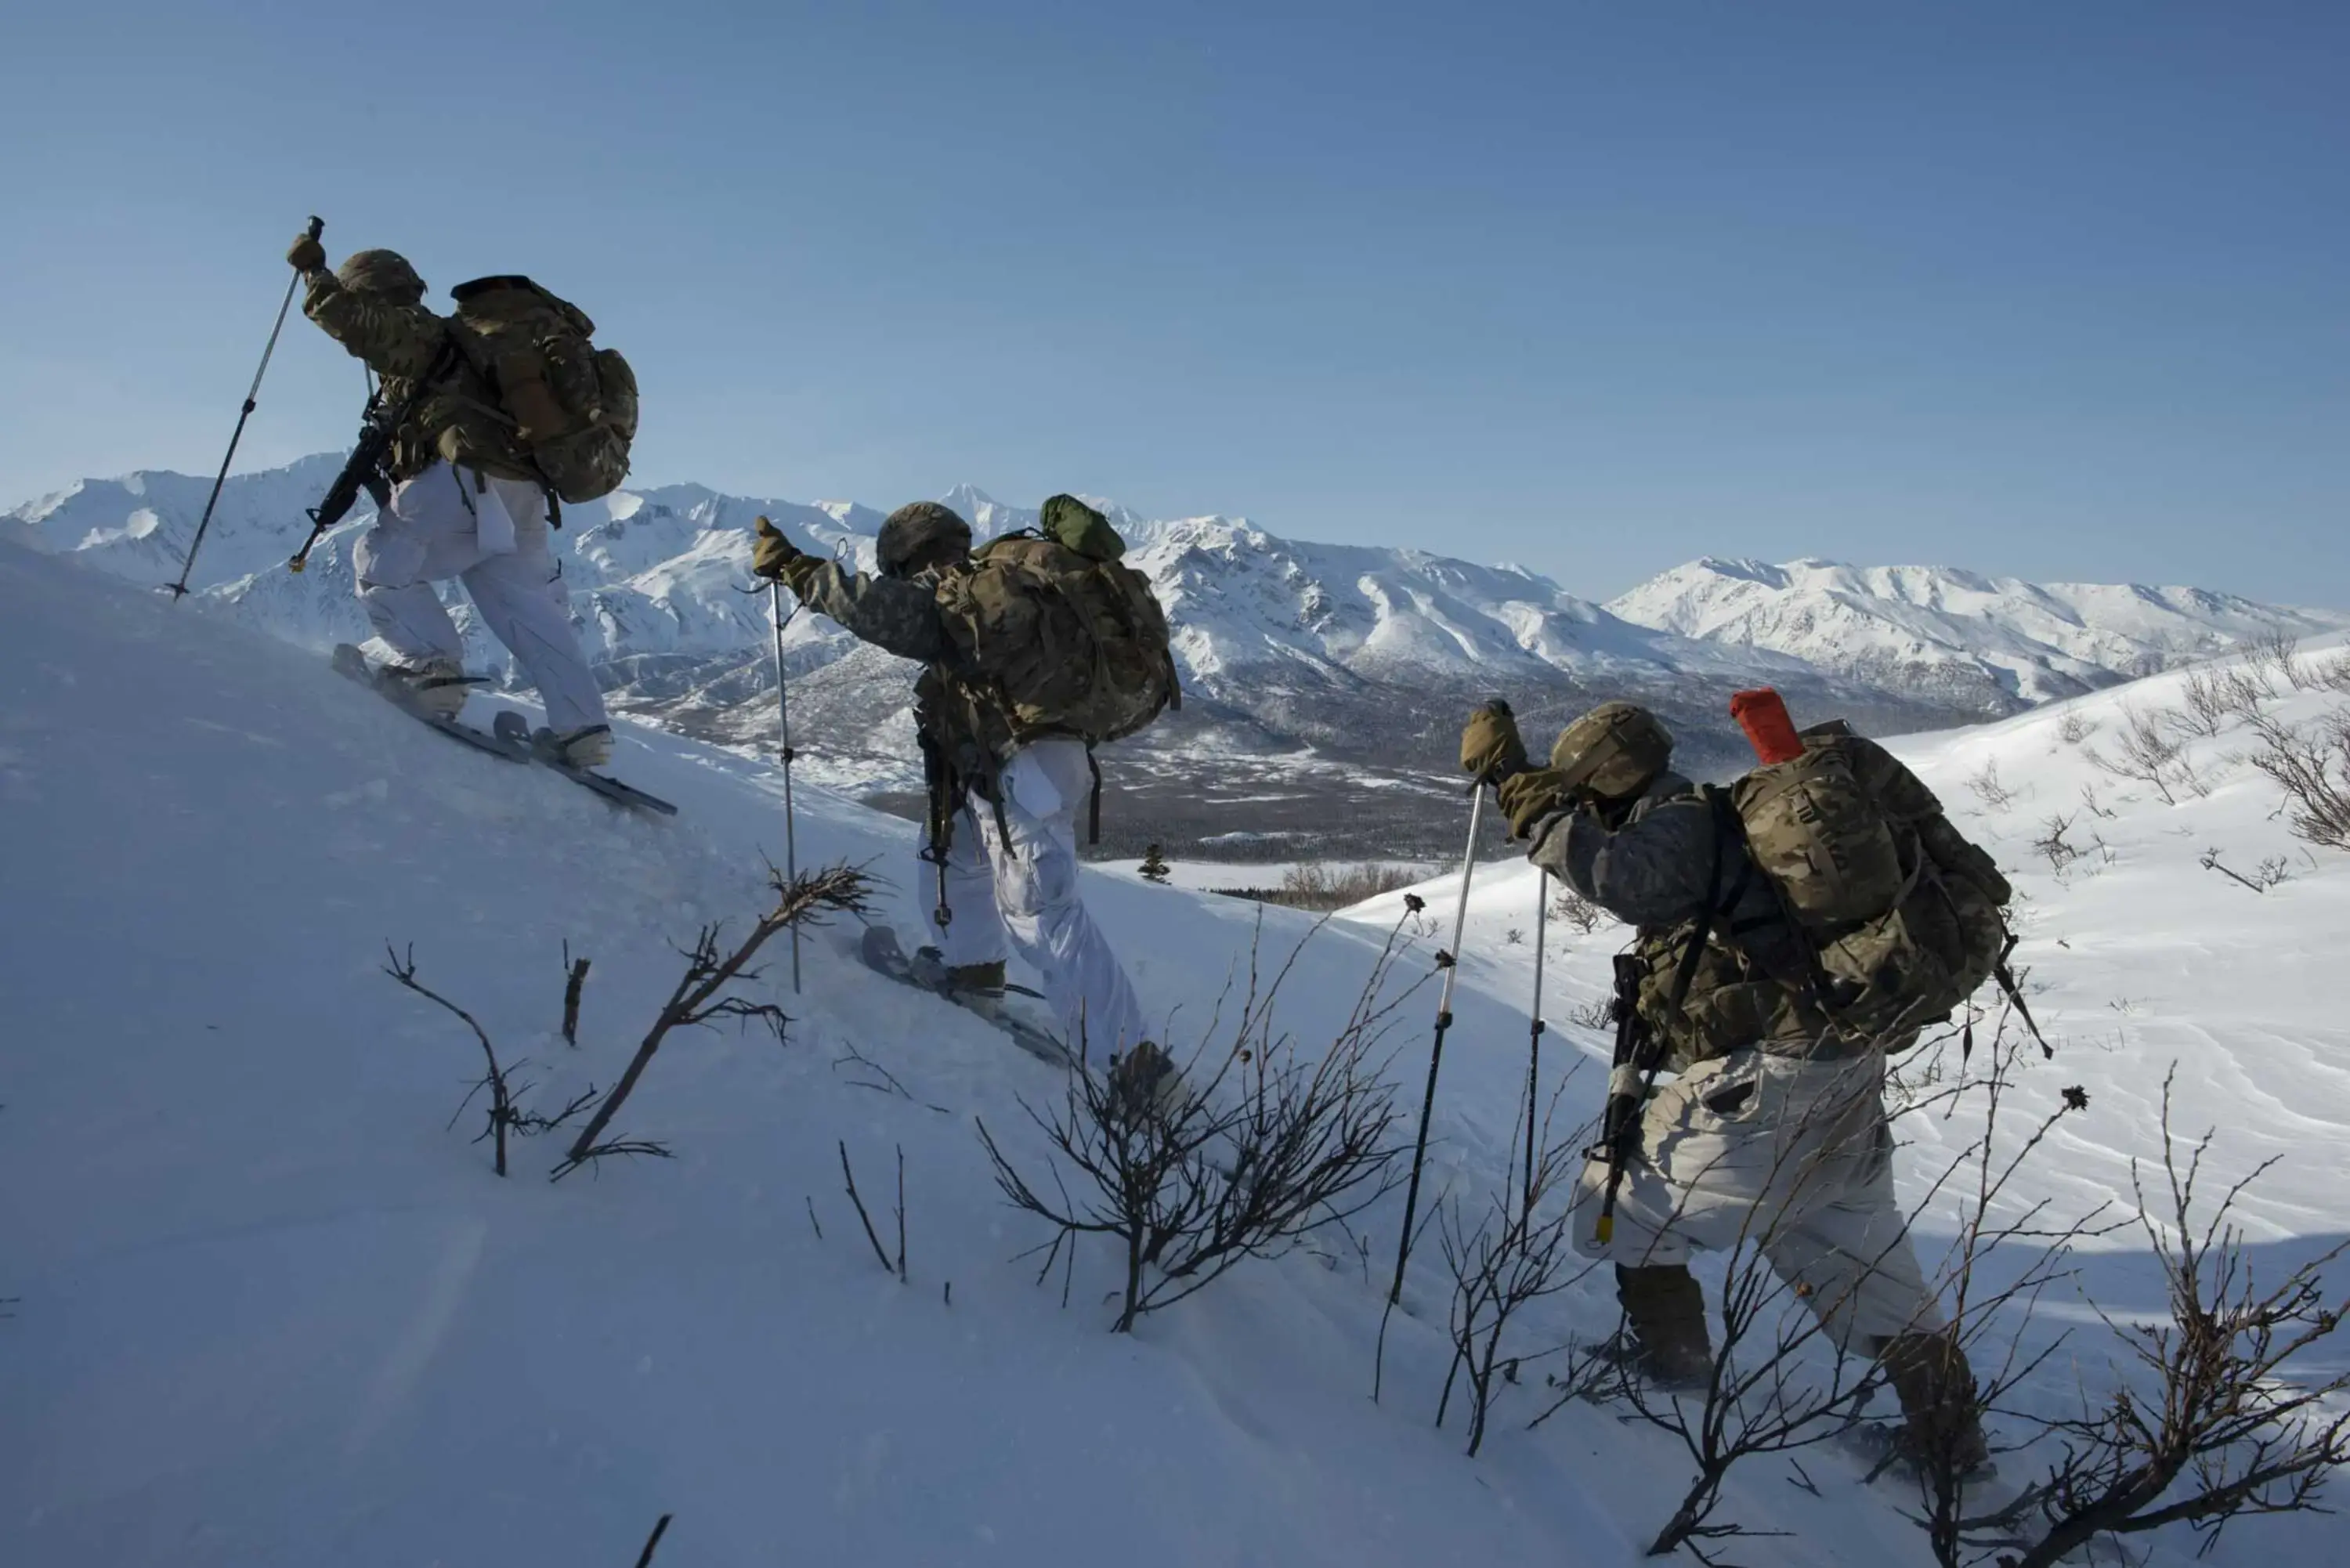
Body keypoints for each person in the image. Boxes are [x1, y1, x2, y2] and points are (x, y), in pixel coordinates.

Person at [1459, 698, 1987, 1469]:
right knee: (1864, 1260)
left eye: (1587, 795)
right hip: (1841, 1068)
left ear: (1605, 785)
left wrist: (1521, 794)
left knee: (1618, 1205)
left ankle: (1674, 1372)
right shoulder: (1707, 814)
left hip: (1772, 1083)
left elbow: (1616, 874)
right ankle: (1951, 1449)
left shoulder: (1682, 824)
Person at [750, 500, 1166, 1097]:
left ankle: (1134, 1063)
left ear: (905, 556)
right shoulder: (1009, 585)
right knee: (949, 854)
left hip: (1027, 769)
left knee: (1042, 912)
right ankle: (974, 975)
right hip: (1020, 765)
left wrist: (796, 568)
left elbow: (876, 609)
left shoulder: (956, 593)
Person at [284, 231, 611, 767]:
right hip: (523, 489)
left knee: (380, 563)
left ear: (375, 294)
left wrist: (314, 274)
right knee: (528, 609)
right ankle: (584, 729)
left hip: (459, 481)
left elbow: (355, 325)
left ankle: (433, 671)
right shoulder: (475, 349)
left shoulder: (420, 334)